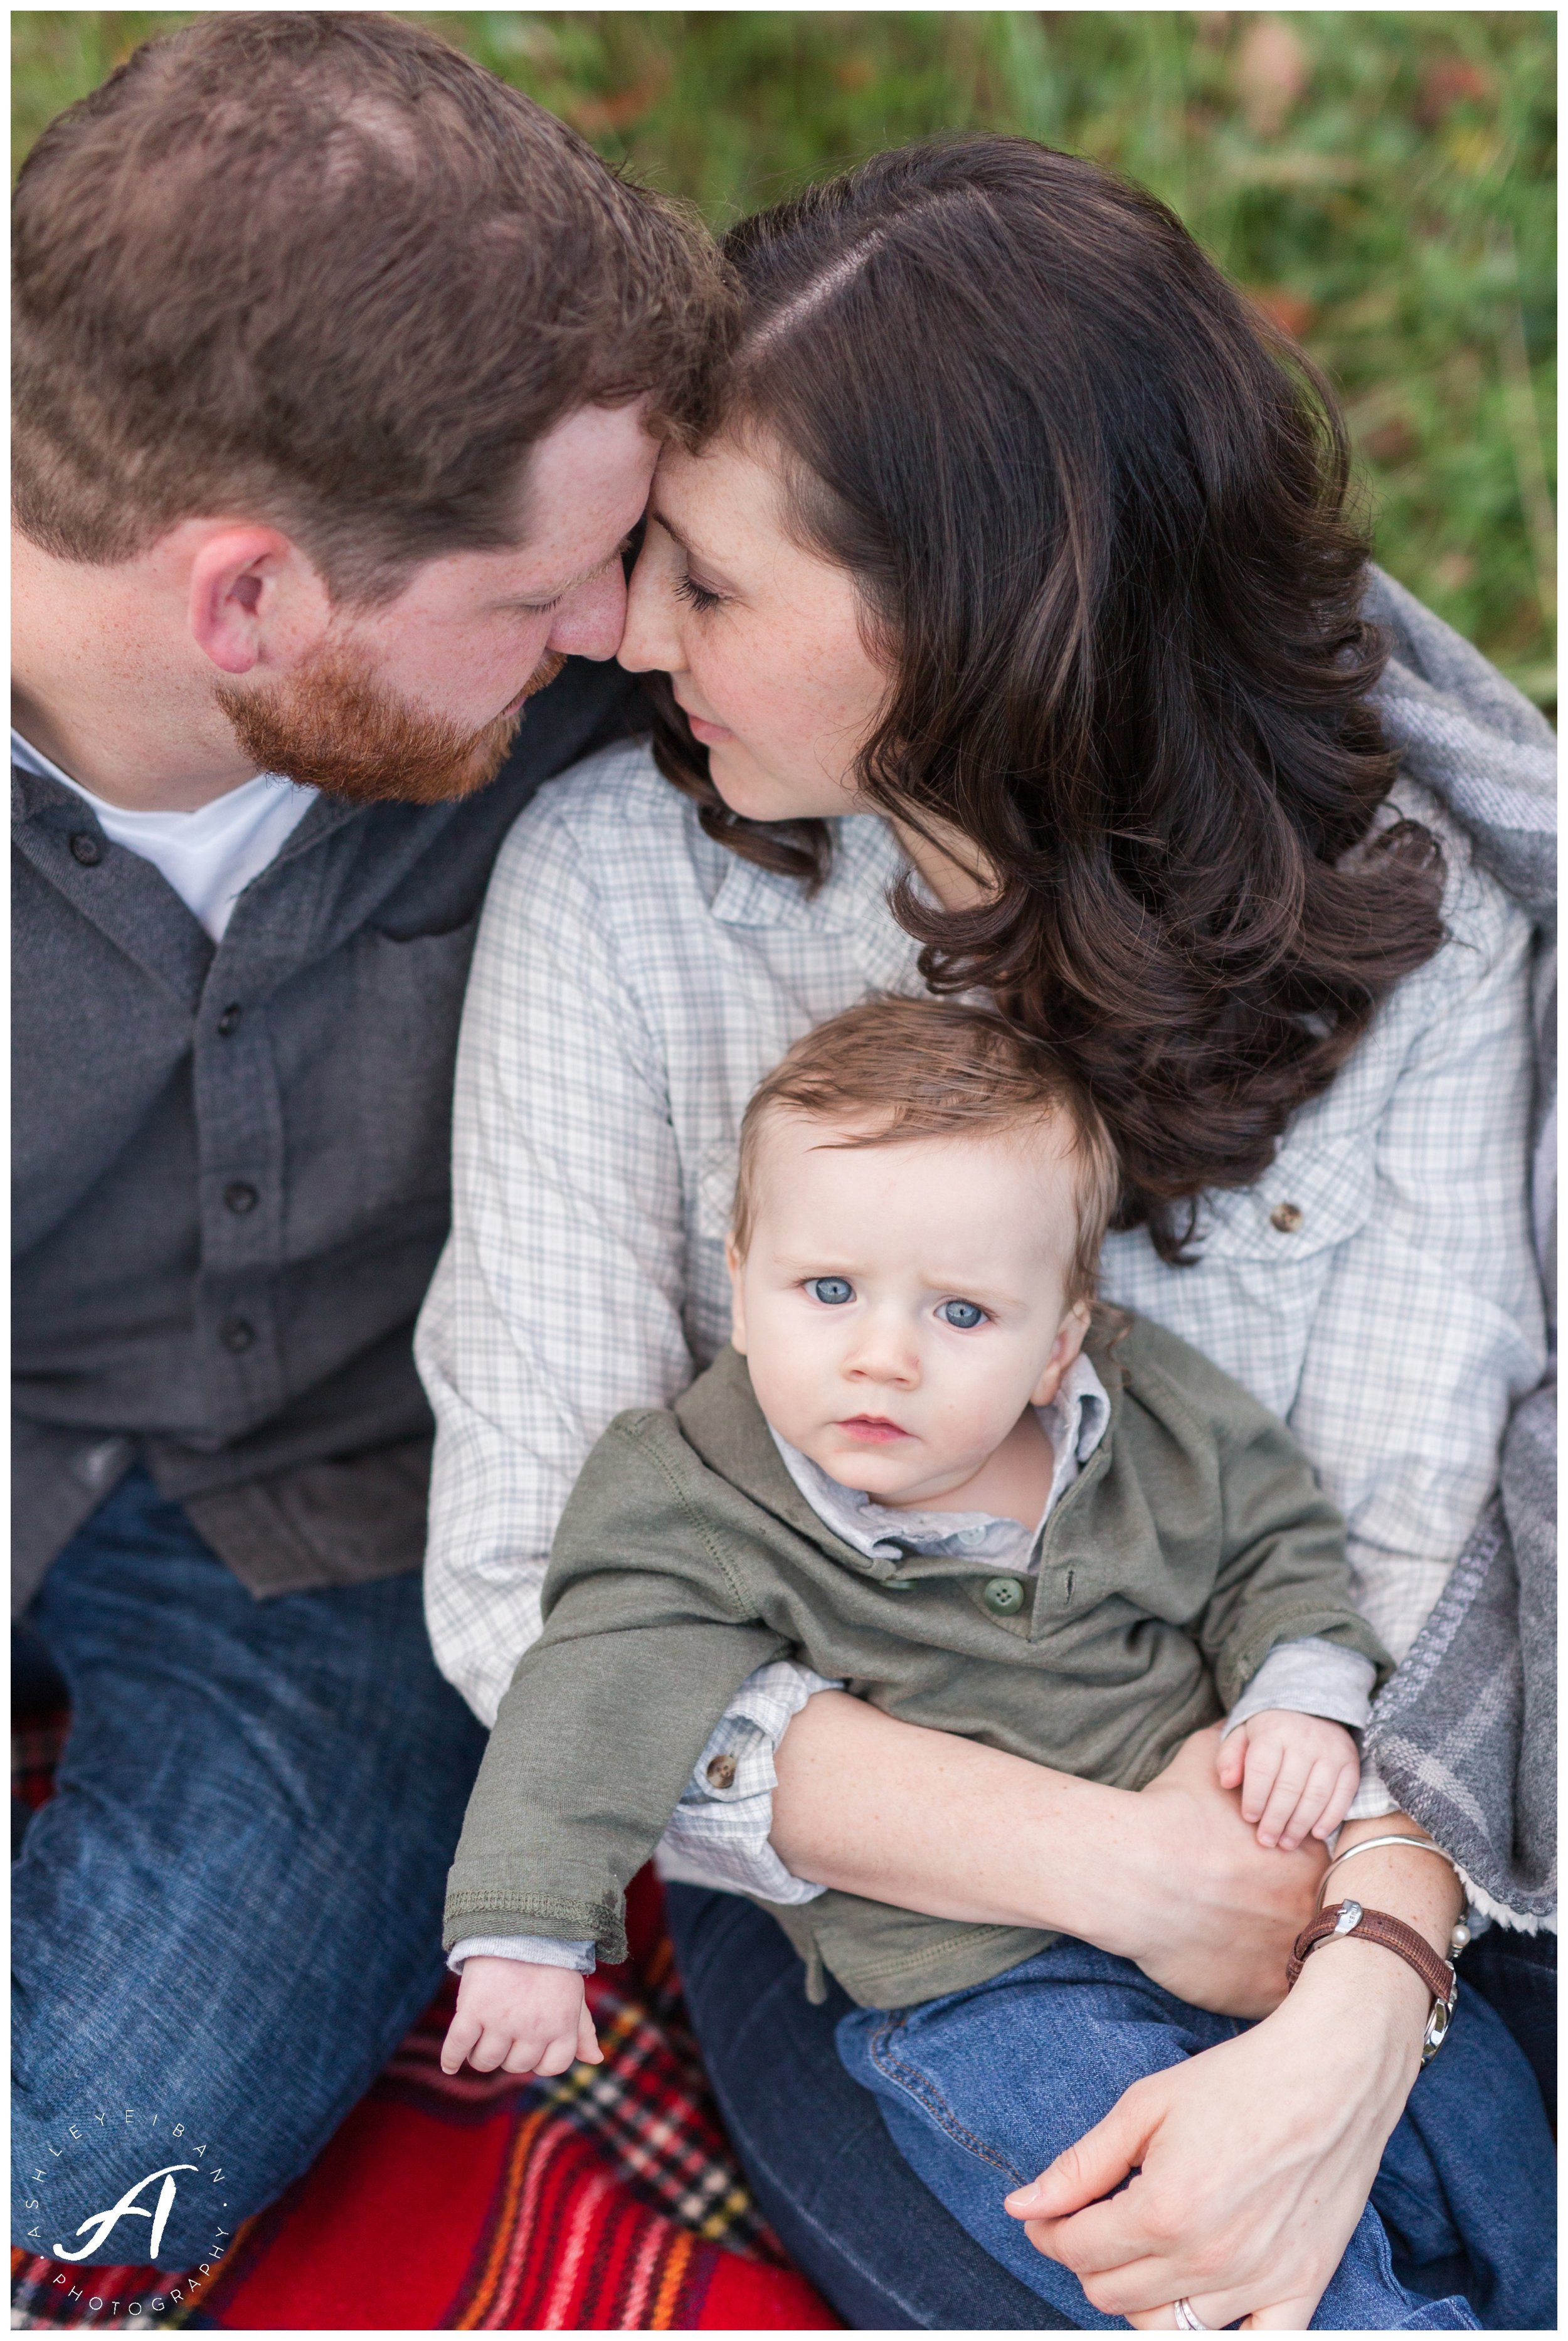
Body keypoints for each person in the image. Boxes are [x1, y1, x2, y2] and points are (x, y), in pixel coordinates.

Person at [419, 137, 1554, 2328]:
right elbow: (521, 1587)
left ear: (967, 630)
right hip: (888, 1921)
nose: (634, 632)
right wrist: (1116, 1870)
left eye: (713, 586)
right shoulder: (614, 906)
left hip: (1345, 1836)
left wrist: (1346, 2008)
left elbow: (1434, 1539)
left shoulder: (1413, 920)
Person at [11, 11, 730, 2264]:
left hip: (347, 1507)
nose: (620, 630)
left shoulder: (565, 633)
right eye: (539, 603)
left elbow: (1102, 559)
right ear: (246, 596)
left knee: (104, 2150)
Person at [435, 997, 1551, 2328]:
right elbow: (587, 1694)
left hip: (1262, 1891)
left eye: (961, 1312)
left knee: (1484, 2130)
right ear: (736, 1277)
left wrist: (1297, 1689)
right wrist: (528, 1937)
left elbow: (1273, 1542)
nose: (882, 1357)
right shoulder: (693, 1495)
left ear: (1058, 1341)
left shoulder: (1142, 1421)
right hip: (976, 1986)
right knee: (1140, 2216)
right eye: (828, 1290)